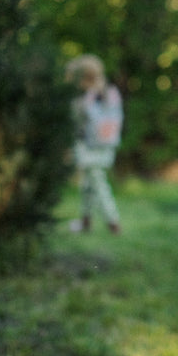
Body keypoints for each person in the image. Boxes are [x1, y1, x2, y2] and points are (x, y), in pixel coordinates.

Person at [66, 54, 123, 235]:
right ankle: (86, 221)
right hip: (107, 145)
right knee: (88, 185)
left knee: (98, 184)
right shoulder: (110, 92)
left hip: (90, 147)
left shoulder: (86, 98)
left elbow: (77, 120)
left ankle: (113, 222)